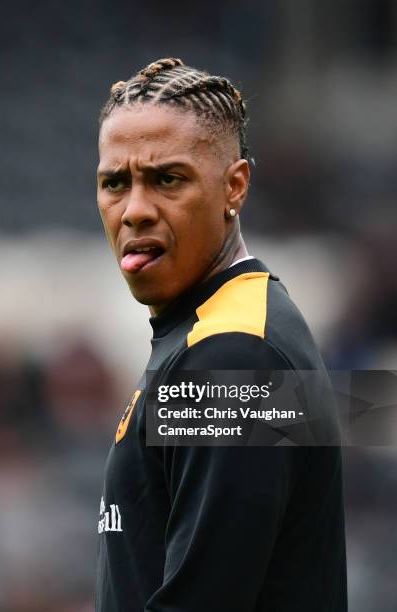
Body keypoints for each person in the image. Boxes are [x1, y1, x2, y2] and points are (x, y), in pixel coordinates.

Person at [95, 58, 347, 611]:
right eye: (115, 182)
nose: (134, 211)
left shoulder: (234, 355)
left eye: (167, 179)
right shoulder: (226, 327)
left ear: (234, 186)